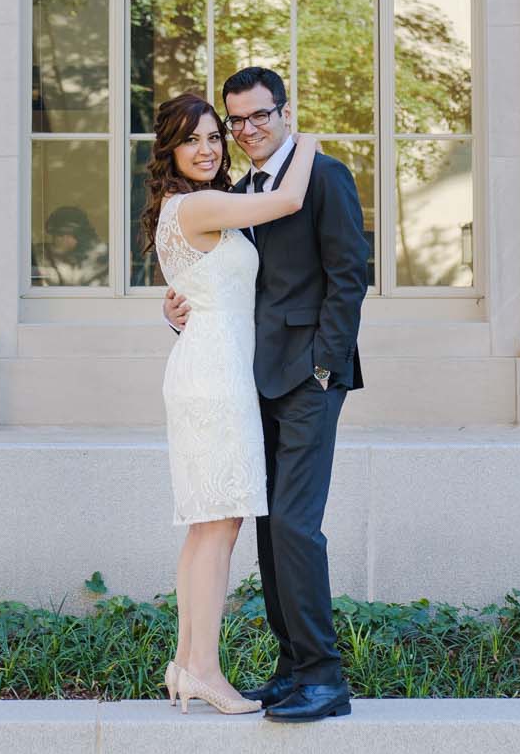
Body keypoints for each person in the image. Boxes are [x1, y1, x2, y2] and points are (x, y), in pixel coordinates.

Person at [164, 66, 368, 724]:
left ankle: (324, 676)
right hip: (251, 380)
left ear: (284, 112)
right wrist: (180, 306)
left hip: (308, 378)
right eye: (238, 120)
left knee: (297, 525)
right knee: (270, 524)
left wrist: (325, 368)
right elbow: (227, 280)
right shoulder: (233, 189)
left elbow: (349, 275)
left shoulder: (323, 175)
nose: (248, 129)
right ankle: (293, 667)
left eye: (261, 115)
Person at [141, 91, 320, 716]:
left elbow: (203, 289)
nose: (208, 147)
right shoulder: (202, 204)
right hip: (214, 376)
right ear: (170, 148)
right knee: (217, 527)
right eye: (192, 138)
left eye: (214, 136)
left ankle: (189, 665)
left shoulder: (188, 206)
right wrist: (309, 144)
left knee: (210, 526)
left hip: (208, 364)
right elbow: (289, 199)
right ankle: (207, 673)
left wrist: (174, 313)